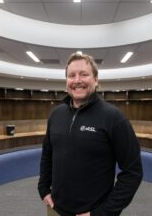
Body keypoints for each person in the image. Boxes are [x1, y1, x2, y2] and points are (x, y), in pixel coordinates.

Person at [38, 53, 143, 216]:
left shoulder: (114, 118)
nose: (77, 80)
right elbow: (48, 154)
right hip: (55, 209)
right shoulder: (56, 114)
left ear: (95, 80)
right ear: (66, 81)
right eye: (71, 75)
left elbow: (133, 172)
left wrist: (102, 213)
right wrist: (44, 189)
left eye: (84, 74)